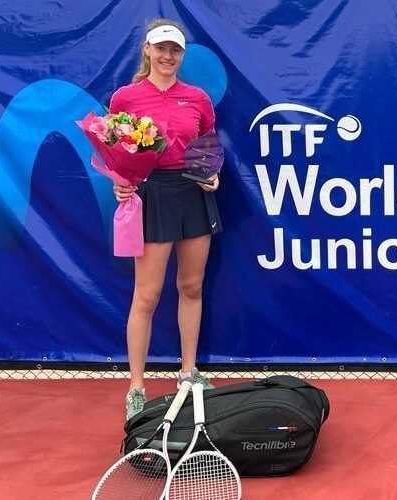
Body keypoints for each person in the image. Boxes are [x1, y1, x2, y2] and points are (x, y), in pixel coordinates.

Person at [109, 18, 222, 420]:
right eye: (161, 48)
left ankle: (189, 373)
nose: (168, 56)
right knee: (147, 295)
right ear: (147, 50)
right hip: (152, 195)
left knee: (191, 286)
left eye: (175, 50)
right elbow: (114, 150)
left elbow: (208, 146)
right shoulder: (125, 98)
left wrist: (212, 175)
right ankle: (136, 387)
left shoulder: (198, 98)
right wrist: (120, 182)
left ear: (182, 55)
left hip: (192, 194)